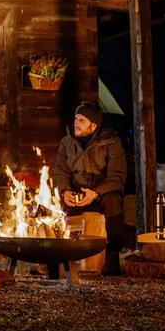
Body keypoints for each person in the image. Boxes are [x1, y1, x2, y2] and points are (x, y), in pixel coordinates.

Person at [52, 101, 127, 275]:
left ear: (94, 124)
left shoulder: (111, 141)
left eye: (81, 120)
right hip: (77, 193)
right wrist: (65, 191)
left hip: (102, 193)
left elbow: (117, 176)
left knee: (114, 201)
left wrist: (96, 192)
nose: (76, 124)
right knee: (57, 207)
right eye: (76, 119)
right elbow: (60, 171)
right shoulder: (67, 142)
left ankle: (112, 258)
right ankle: (58, 260)